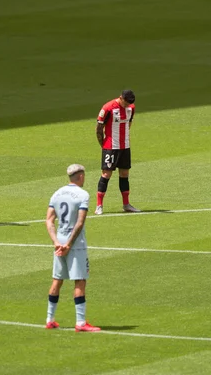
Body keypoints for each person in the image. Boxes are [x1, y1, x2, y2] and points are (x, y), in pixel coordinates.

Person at [44, 164, 100, 332]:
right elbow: (80, 222)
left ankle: (49, 318)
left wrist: (56, 242)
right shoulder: (83, 195)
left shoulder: (57, 193)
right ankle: (81, 323)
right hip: (75, 245)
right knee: (80, 280)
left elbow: (48, 220)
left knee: (57, 280)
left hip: (59, 240)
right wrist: (69, 244)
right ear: (81, 176)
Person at [95, 89, 140, 215]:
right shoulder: (108, 108)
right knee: (106, 174)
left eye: (129, 104)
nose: (127, 106)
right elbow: (99, 128)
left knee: (124, 174)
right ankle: (99, 205)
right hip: (110, 147)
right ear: (121, 98)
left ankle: (126, 204)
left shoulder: (131, 108)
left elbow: (129, 123)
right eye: (125, 103)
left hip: (125, 146)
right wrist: (103, 145)